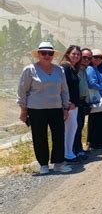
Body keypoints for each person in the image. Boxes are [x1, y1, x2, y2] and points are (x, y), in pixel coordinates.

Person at [17, 42, 72, 174]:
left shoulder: (59, 70)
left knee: (58, 136)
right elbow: (22, 90)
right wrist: (23, 110)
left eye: (50, 53)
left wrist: (65, 107)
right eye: (44, 53)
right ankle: (43, 164)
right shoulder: (30, 70)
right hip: (36, 109)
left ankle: (58, 163)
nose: (47, 56)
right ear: (39, 55)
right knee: (39, 136)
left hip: (56, 108)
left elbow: (64, 90)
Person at [60, 45, 82, 163]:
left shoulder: (72, 68)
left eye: (78, 54)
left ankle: (69, 152)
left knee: (72, 127)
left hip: (74, 104)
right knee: (70, 128)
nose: (76, 56)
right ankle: (66, 154)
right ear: (68, 54)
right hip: (69, 104)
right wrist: (68, 102)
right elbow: (63, 86)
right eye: (74, 54)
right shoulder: (65, 67)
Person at [86, 49, 102, 149]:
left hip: (99, 96)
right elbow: (92, 84)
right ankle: (93, 143)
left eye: (100, 57)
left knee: (99, 120)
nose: (98, 59)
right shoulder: (90, 69)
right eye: (95, 57)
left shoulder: (96, 68)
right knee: (95, 120)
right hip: (95, 97)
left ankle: (97, 141)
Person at [74, 48, 92, 158]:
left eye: (89, 58)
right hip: (75, 102)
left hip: (82, 102)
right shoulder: (75, 70)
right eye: (84, 57)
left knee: (80, 126)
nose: (86, 60)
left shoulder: (84, 70)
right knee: (76, 127)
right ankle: (75, 150)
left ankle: (79, 149)